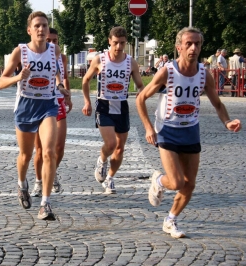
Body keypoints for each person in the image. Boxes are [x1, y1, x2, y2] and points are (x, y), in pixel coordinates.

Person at [136, 27, 242, 238]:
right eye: (189, 44)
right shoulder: (167, 71)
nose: (194, 48)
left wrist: (227, 121)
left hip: (191, 130)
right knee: (175, 182)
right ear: (179, 47)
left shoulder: (204, 74)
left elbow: (217, 103)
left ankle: (170, 220)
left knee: (189, 184)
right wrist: (148, 127)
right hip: (167, 129)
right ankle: (158, 180)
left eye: (197, 44)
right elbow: (140, 99)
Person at [0, 11, 70, 220]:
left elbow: (56, 71)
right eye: (37, 26)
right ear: (29, 30)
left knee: (48, 152)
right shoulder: (20, 52)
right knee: (26, 156)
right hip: (26, 106)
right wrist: (19, 76)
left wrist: (60, 86)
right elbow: (1, 82)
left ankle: (45, 203)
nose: (41, 29)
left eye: (44, 26)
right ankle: (22, 184)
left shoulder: (54, 49)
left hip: (48, 104)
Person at [82, 26, 144, 194]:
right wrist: (87, 102)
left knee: (120, 148)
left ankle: (110, 178)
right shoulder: (99, 60)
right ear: (109, 41)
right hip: (104, 105)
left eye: (122, 43)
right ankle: (102, 160)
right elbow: (86, 80)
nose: (118, 47)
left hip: (122, 106)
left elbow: (139, 84)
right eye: (115, 43)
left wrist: (140, 91)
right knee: (111, 144)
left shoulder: (130, 62)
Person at [31, 27, 73, 197]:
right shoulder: (34, 55)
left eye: (55, 41)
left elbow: (63, 78)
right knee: (40, 150)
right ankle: (39, 181)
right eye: (49, 40)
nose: (52, 44)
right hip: (39, 102)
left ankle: (52, 172)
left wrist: (67, 95)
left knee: (59, 147)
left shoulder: (62, 58)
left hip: (58, 101)